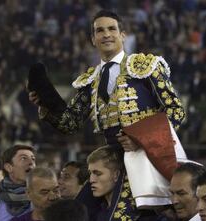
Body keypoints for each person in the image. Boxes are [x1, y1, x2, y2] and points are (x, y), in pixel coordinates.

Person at [28, 9, 186, 209]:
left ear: (122, 35)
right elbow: (70, 123)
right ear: (93, 39)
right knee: (79, 211)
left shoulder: (145, 67)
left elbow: (175, 110)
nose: (106, 34)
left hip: (148, 159)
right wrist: (45, 102)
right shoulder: (90, 80)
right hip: (109, 163)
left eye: (112, 29)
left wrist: (141, 140)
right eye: (100, 31)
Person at [0, 144, 36, 221]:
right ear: (9, 167)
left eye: (33, 159)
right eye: (23, 158)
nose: (31, 162)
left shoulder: (41, 197)